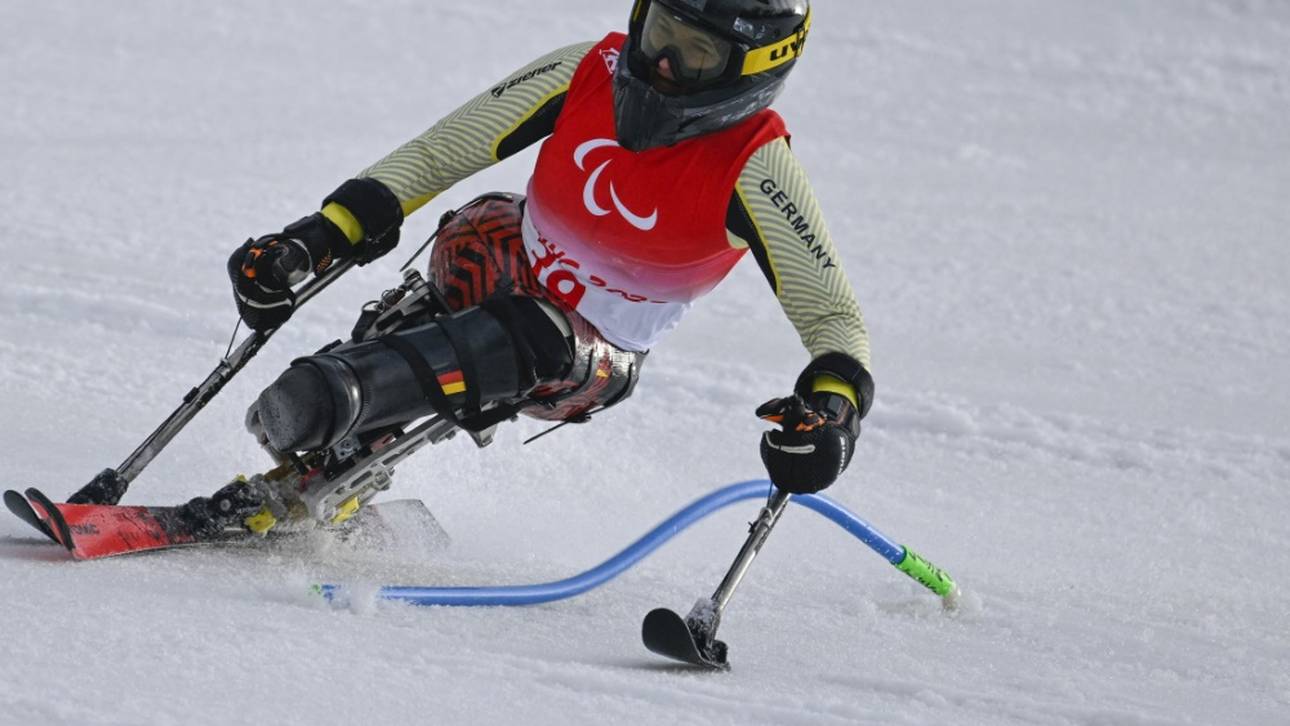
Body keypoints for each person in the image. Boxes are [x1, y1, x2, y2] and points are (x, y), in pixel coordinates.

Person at [221, 0, 874, 531]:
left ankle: (339, 397)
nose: (664, 64)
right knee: (478, 225)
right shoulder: (589, 70)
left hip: (591, 355)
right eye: (659, 33)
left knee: (529, 331)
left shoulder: (755, 165)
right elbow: (439, 154)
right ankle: (339, 451)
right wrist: (320, 236)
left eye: (697, 52)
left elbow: (832, 312)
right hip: (509, 262)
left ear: (754, 68)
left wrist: (833, 411)